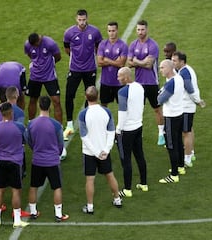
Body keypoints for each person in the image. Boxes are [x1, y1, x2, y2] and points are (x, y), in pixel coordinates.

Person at [25, 96, 69, 222]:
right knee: (56, 187)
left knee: (34, 186)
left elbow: (29, 140)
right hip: (52, 161)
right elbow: (60, 144)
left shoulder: (31, 124)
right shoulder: (56, 125)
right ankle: (58, 214)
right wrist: (57, 153)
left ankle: (33, 212)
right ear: (50, 106)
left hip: (37, 160)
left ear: (39, 106)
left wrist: (36, 149)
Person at [78, 86, 122, 214]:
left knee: (90, 179)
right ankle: (117, 199)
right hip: (104, 151)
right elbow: (111, 131)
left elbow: (84, 136)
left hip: (90, 153)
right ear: (97, 97)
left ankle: (90, 206)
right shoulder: (106, 112)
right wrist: (106, 149)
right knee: (110, 175)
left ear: (86, 97)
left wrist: (96, 152)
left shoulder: (83, 114)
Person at [63, 9, 103, 139]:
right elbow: (67, 49)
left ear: (87, 18)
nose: (82, 22)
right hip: (74, 69)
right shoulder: (69, 33)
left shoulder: (95, 32)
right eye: (79, 20)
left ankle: (87, 121)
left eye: (84, 19)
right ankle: (69, 124)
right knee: (69, 95)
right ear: (76, 19)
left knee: (90, 96)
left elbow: (98, 47)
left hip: (90, 69)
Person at [0, 102, 29, 228]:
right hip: (15, 161)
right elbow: (26, 140)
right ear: (11, 112)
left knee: (0, 191)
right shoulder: (19, 126)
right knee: (16, 191)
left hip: (1, 161)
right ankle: (17, 220)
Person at [127, 20, 165, 146]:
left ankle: (161, 134)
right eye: (138, 29)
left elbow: (149, 65)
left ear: (147, 30)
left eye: (142, 29)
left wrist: (136, 60)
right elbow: (129, 63)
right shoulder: (133, 45)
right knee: (138, 110)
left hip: (152, 83)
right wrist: (140, 62)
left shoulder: (153, 45)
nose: (140, 32)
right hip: (138, 84)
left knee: (157, 109)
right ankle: (138, 133)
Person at [115, 67, 148, 198]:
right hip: (138, 126)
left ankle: (127, 189)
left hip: (126, 130)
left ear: (126, 77)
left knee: (126, 159)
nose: (118, 79)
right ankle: (143, 183)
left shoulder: (123, 91)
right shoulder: (140, 87)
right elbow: (142, 106)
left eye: (119, 76)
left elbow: (122, 113)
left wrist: (118, 130)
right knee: (140, 155)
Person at [172, 51, 205, 167]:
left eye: (174, 61)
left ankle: (187, 159)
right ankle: (191, 152)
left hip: (186, 107)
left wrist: (198, 101)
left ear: (182, 62)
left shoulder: (184, 73)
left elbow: (190, 90)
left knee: (185, 133)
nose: (172, 63)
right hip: (188, 106)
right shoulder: (185, 70)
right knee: (189, 129)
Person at [24, 33, 63, 124]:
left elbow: (58, 57)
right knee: (33, 99)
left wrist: (48, 66)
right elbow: (30, 55)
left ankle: (59, 127)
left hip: (49, 76)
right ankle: (31, 124)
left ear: (39, 40)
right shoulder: (27, 45)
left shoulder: (50, 43)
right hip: (35, 76)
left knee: (56, 101)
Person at [157, 60, 185, 183]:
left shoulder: (170, 83)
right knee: (178, 141)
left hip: (171, 116)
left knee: (171, 145)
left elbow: (160, 99)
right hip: (179, 114)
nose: (160, 70)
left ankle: (174, 175)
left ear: (169, 68)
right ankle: (180, 166)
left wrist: (160, 93)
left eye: (162, 67)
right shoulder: (178, 78)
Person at [97, 21, 128, 107]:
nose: (111, 33)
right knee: (103, 105)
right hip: (105, 81)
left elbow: (121, 64)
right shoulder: (102, 44)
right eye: (109, 31)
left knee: (123, 106)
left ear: (117, 31)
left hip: (119, 82)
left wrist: (107, 60)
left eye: (113, 31)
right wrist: (115, 61)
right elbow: (99, 62)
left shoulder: (123, 45)